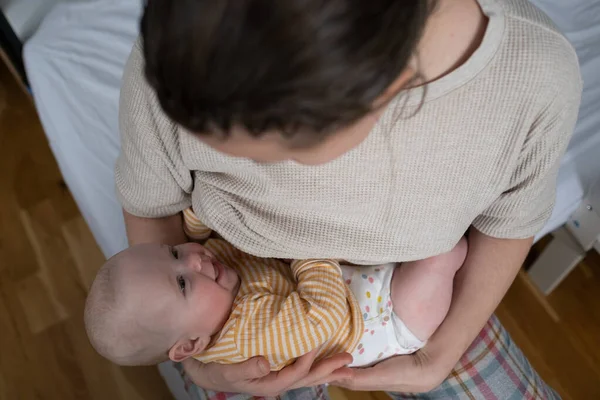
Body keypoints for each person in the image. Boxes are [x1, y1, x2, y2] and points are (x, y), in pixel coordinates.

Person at [116, 0, 581, 398]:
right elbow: (152, 203)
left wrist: (442, 355)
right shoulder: (179, 44)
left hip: (405, 284)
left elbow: (510, 222)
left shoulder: (534, 78)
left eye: (270, 154)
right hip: (233, 300)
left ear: (385, 94)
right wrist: (199, 361)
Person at [84, 210, 466, 369]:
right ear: (191, 345)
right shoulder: (249, 335)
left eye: (172, 251)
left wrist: (203, 210)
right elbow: (324, 313)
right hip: (378, 318)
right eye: (182, 281)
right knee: (446, 253)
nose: (193, 259)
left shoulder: (212, 280)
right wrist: (303, 249)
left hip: (351, 276)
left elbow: (208, 235)